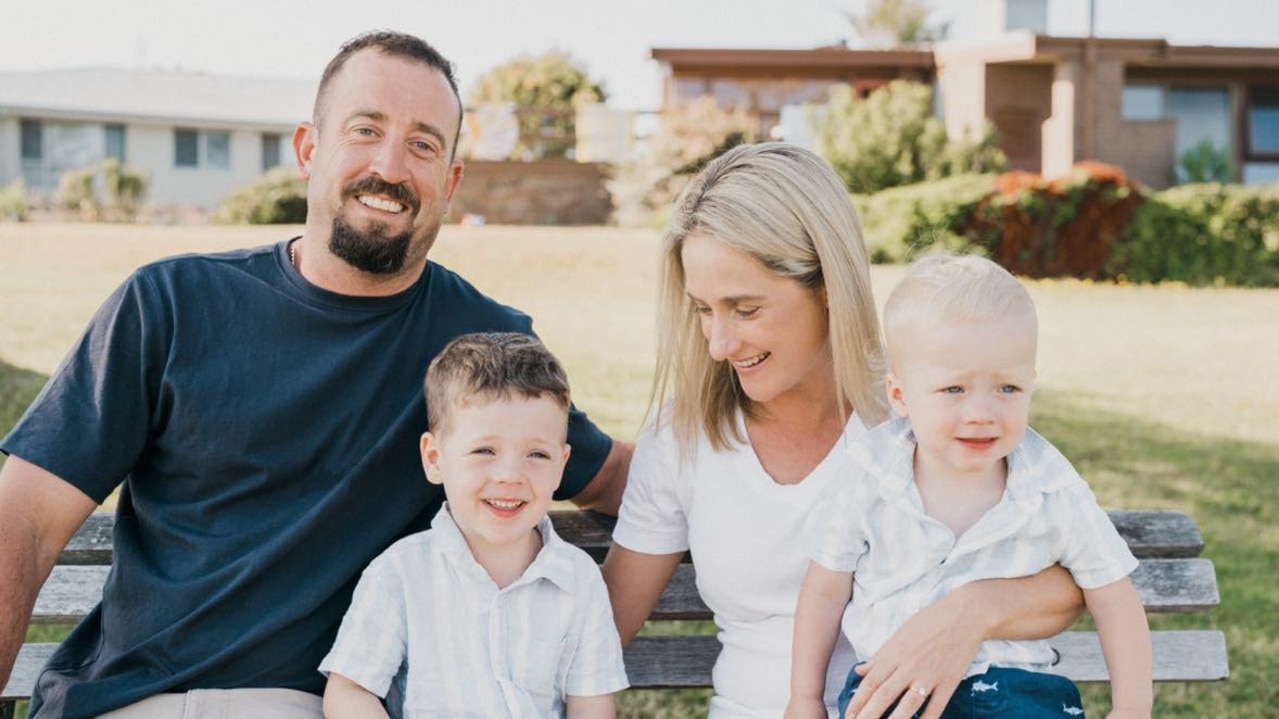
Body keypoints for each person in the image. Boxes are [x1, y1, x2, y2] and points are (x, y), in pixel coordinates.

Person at [0, 31, 629, 719]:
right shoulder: (170, 304)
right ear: (308, 149)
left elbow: (611, 477)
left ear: (449, 182)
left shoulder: (481, 349)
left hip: (305, 704)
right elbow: (22, 517)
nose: (389, 166)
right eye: (365, 130)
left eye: (423, 144)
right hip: (128, 701)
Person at [601, 142, 1086, 719]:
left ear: (827, 283)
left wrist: (971, 611)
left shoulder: (924, 408)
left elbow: (1075, 575)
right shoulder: (683, 434)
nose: (720, 343)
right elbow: (600, 631)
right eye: (703, 309)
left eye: (746, 309)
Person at [786, 254, 1152, 719]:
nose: (981, 412)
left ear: (1031, 385)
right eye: (954, 390)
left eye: (1008, 389)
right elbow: (824, 590)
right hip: (894, 694)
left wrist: (1132, 709)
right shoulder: (869, 476)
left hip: (1016, 697)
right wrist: (804, 698)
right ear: (900, 396)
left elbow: (1114, 596)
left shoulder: (1051, 488)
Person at [320, 332, 628, 719]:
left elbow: (592, 703)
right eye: (485, 450)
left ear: (561, 466)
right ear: (435, 458)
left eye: (537, 454)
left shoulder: (577, 579)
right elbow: (350, 690)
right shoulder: (401, 573)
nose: (509, 475)